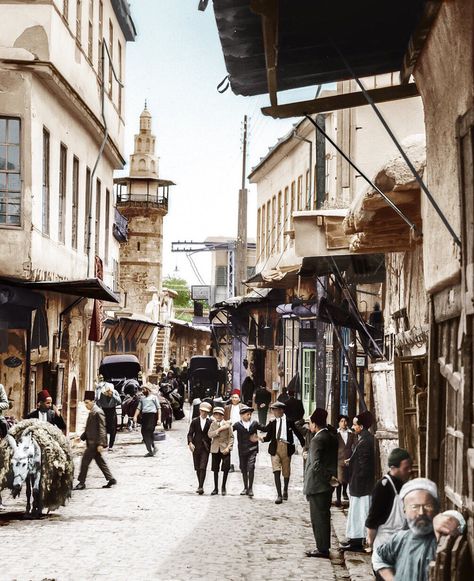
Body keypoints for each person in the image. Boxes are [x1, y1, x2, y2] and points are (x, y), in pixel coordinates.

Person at [373, 478, 466, 581]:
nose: (421, 512)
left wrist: (449, 518)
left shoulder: (441, 537)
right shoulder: (399, 539)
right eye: (414, 507)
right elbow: (378, 557)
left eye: (428, 506)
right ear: (404, 510)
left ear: (437, 508)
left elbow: (458, 522)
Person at [303, 408, 338, 559]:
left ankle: (322, 548)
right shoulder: (331, 436)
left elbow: (316, 465)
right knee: (324, 516)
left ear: (315, 424)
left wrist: (327, 478)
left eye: (310, 422)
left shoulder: (317, 439)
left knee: (318, 518)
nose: (309, 426)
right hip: (326, 486)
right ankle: (323, 546)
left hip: (318, 485)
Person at [341, 410, 375, 552]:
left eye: (354, 425)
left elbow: (364, 465)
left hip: (361, 485)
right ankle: (354, 538)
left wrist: (356, 477)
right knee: (356, 513)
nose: (352, 427)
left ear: (361, 426)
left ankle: (358, 541)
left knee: (360, 513)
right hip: (359, 484)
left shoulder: (365, 441)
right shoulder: (363, 438)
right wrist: (352, 461)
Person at [260, 401, 305, 504]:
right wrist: (260, 437)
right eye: (272, 410)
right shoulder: (273, 422)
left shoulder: (289, 421)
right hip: (275, 447)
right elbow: (267, 435)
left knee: (286, 471)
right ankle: (279, 495)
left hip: (286, 447)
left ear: (281, 410)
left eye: (274, 410)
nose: (273, 412)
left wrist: (304, 445)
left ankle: (285, 489)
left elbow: (298, 433)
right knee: (276, 471)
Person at [74, 390, 116, 490]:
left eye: (87, 403)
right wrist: (81, 438)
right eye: (85, 403)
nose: (86, 405)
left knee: (85, 462)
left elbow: (102, 428)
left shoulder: (98, 412)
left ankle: (81, 482)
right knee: (100, 461)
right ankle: (110, 479)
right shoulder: (92, 412)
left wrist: (101, 444)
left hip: (95, 443)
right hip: (91, 442)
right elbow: (89, 428)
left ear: (93, 401)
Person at [232, 406, 260, 497]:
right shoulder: (237, 425)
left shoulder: (254, 423)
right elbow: (229, 431)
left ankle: (251, 488)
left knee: (251, 467)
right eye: (247, 414)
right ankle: (245, 487)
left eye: (250, 414)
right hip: (242, 450)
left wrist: (272, 423)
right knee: (243, 468)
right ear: (241, 415)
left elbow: (265, 428)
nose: (249, 416)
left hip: (252, 449)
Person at [187, 401, 212, 494]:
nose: (204, 413)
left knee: (203, 466)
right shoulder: (195, 421)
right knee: (197, 467)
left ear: (208, 412)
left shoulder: (210, 422)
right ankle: (200, 483)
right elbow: (190, 433)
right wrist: (190, 443)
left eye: (206, 411)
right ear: (199, 411)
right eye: (202, 411)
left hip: (206, 447)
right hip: (196, 446)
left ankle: (201, 486)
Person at [208, 406, 233, 496]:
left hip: (224, 449)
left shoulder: (227, 424)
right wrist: (217, 431)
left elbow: (231, 437)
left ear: (223, 416)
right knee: (215, 469)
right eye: (216, 414)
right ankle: (215, 488)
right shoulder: (213, 424)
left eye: (220, 415)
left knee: (226, 468)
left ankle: (223, 487)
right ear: (214, 415)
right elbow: (209, 435)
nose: (218, 416)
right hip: (215, 449)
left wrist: (228, 448)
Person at [133, 384, 161, 457]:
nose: (142, 391)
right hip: (145, 417)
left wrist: (159, 419)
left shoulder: (154, 398)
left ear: (147, 390)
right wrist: (135, 416)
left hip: (152, 416)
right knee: (143, 433)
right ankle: (150, 450)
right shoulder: (142, 399)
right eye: (142, 390)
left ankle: (154, 447)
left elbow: (159, 408)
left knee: (149, 431)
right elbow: (138, 408)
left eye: (144, 389)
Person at [334, 414, 355, 507]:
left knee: (346, 478)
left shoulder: (351, 434)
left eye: (345, 421)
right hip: (339, 459)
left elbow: (354, 445)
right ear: (339, 423)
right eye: (342, 421)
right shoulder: (336, 434)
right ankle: (338, 498)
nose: (344, 423)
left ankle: (344, 492)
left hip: (349, 459)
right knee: (339, 479)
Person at [95, 382, 121, 451]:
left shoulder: (115, 392)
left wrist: (112, 395)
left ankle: (111, 445)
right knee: (103, 428)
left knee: (113, 429)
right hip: (104, 411)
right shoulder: (101, 393)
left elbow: (119, 401)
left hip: (112, 411)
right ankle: (105, 443)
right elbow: (97, 401)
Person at [224, 390, 245, 471]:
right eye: (233, 397)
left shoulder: (243, 407)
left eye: (236, 397)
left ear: (239, 399)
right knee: (231, 447)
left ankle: (241, 464)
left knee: (240, 446)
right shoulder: (227, 407)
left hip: (240, 430)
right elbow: (225, 419)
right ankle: (231, 464)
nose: (234, 399)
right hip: (231, 430)